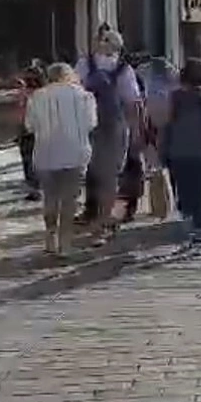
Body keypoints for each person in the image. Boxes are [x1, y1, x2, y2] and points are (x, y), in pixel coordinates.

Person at [76, 30, 144, 247]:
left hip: (87, 126)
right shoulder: (125, 70)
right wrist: (136, 132)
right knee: (113, 177)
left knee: (92, 172)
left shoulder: (84, 65)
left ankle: (92, 214)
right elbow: (133, 104)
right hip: (115, 127)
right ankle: (108, 222)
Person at [24, 62, 96, 257]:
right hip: (75, 153)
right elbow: (91, 124)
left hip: (46, 153)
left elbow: (29, 126)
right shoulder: (84, 96)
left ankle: (50, 237)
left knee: (50, 197)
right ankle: (65, 242)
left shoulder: (37, 97)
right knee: (69, 200)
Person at [162, 59, 201, 246]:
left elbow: (166, 122)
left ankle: (187, 219)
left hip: (177, 148)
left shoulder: (173, 96)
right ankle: (198, 226)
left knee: (183, 187)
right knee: (200, 188)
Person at [16, 61, 47, 201]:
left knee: (31, 159)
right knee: (32, 159)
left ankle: (36, 187)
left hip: (32, 129)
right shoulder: (44, 93)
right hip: (34, 128)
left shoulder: (34, 94)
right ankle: (37, 186)